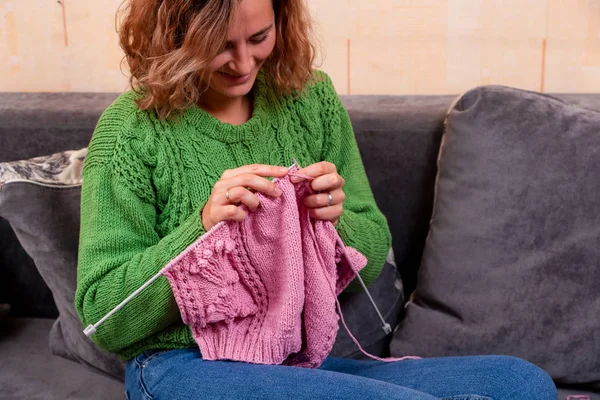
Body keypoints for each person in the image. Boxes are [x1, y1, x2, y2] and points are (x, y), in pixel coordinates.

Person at [75, 0, 558, 398]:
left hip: (299, 358)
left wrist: (334, 219)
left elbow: (368, 264)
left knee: (522, 384)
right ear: (175, 35)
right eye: (219, 47)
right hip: (180, 365)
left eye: (259, 37)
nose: (243, 63)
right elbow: (103, 317)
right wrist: (201, 230)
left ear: (281, 19)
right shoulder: (131, 133)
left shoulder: (309, 99)